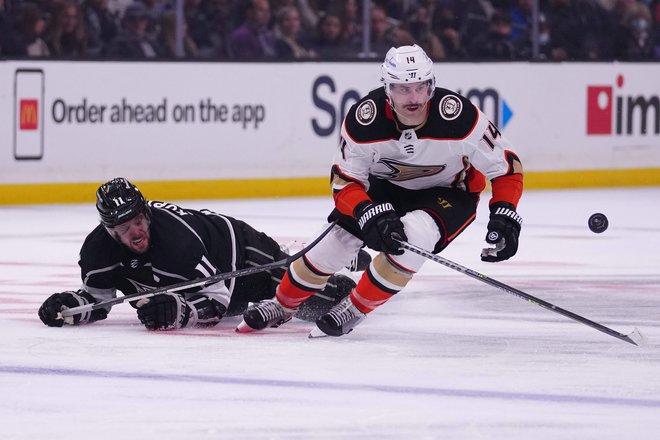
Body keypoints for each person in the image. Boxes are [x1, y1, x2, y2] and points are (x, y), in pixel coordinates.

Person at [237, 44, 524, 337]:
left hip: (449, 193)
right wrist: (366, 211)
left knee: (414, 239)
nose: (413, 99)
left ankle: (355, 307)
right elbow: (345, 181)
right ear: (387, 88)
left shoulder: (461, 117)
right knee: (333, 244)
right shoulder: (364, 122)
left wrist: (504, 211)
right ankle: (282, 304)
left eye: (420, 87)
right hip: (386, 187)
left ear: (431, 86)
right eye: (402, 89)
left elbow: (506, 168)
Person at [38, 178, 368, 330]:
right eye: (124, 229)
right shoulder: (98, 250)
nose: (135, 232)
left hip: (241, 256)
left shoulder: (178, 242)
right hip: (208, 279)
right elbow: (98, 300)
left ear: (146, 214)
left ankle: (341, 264)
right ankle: (299, 257)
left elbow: (219, 299)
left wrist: (181, 312)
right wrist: (70, 306)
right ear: (110, 232)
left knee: (312, 298)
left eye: (138, 221)